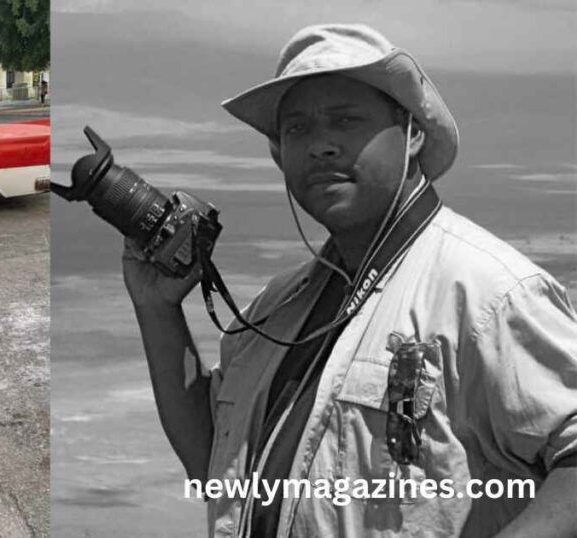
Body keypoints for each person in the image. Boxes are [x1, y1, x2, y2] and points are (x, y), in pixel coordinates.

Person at [124, 24, 577, 537]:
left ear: (413, 133)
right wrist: (157, 308)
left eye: (345, 120)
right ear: (278, 156)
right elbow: (218, 470)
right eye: (297, 130)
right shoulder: (278, 308)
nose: (320, 146)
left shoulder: (488, 294)